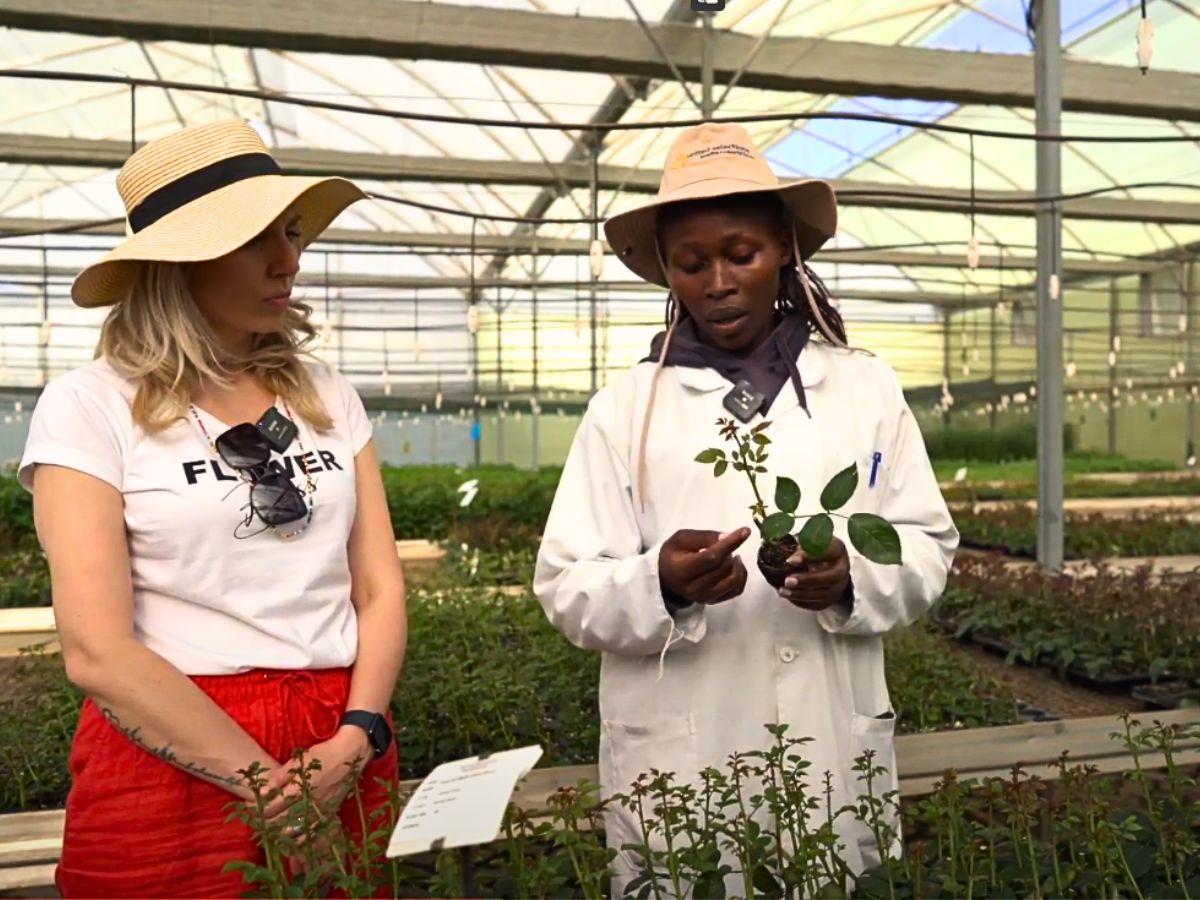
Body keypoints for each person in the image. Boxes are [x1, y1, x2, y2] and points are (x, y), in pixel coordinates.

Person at [534, 122, 958, 895]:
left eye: (741, 254)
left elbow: (927, 543)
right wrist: (659, 583)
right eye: (691, 264)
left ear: (786, 249)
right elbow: (565, 584)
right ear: (666, 270)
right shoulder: (623, 411)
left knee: (826, 869)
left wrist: (850, 580)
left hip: (832, 740)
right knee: (698, 870)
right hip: (681, 752)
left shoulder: (864, 387)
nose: (718, 282)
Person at [19, 120, 407, 898]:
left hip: (340, 741)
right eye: (255, 239)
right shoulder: (90, 406)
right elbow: (96, 649)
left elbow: (379, 586)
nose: (288, 260)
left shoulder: (326, 392)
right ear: (178, 260)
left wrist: (356, 737)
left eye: (292, 235)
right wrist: (265, 784)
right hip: (176, 747)